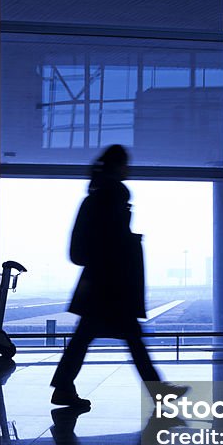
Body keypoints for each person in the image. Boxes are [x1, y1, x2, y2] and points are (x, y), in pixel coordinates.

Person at [50, 145, 185, 408]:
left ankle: (64, 386)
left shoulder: (97, 197)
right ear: (118, 166)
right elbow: (112, 243)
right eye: (125, 164)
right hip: (111, 286)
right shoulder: (111, 199)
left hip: (99, 285)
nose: (128, 169)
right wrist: (131, 244)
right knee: (131, 339)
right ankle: (157, 392)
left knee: (88, 338)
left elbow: (91, 246)